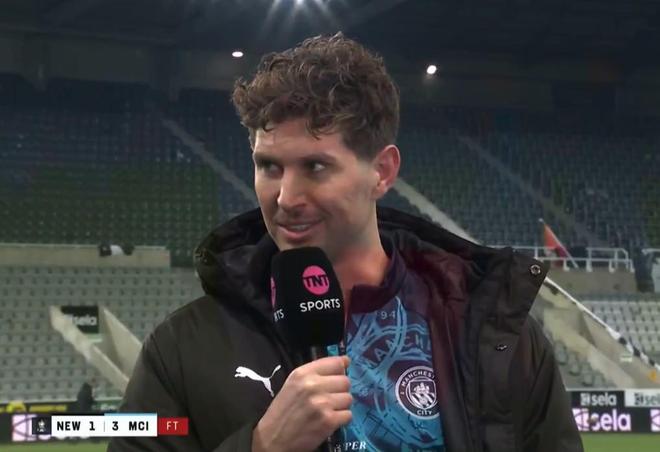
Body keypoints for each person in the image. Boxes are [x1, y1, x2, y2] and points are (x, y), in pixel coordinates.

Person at [108, 33, 582, 452]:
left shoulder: (492, 333)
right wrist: (261, 448)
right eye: (269, 166)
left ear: (383, 172)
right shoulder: (184, 347)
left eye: (315, 167)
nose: (285, 197)